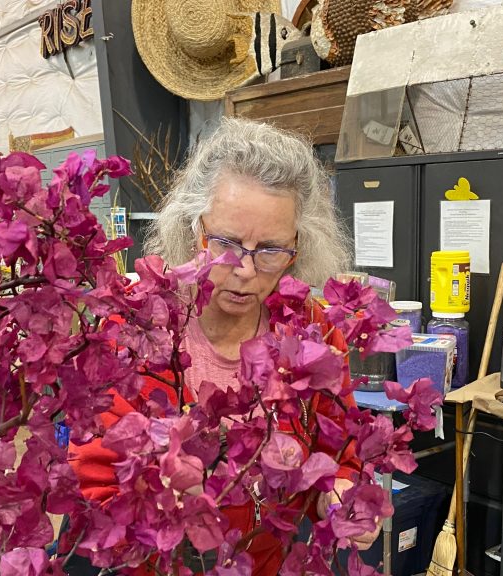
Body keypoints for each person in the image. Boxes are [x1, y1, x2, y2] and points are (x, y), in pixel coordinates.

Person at [68, 117, 378, 574]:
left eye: (270, 249)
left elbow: (340, 458)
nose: (245, 270)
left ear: (299, 245)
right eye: (227, 243)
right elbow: (94, 484)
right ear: (195, 229)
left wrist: (343, 495)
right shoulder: (133, 328)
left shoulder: (312, 333)